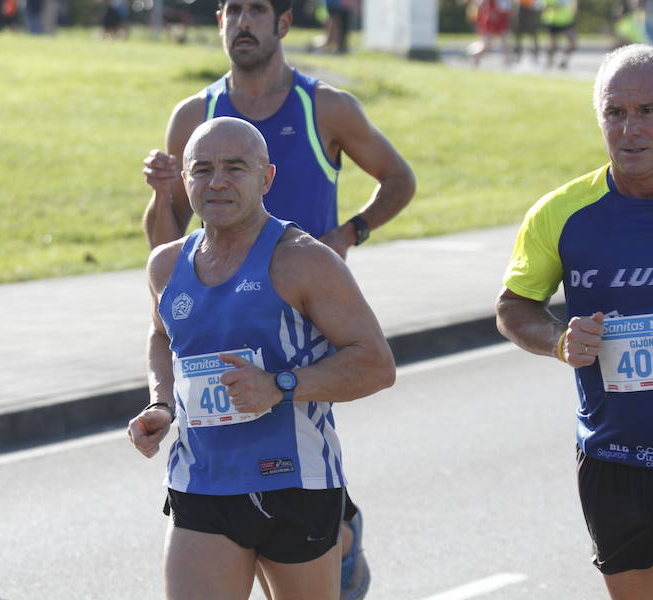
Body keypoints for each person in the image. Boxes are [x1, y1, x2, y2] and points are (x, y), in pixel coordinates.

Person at [141, 0, 415, 596]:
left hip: (301, 365)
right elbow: (166, 310)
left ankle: (340, 527)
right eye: (202, 169)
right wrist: (161, 403)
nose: (217, 180)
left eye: (235, 168)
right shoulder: (195, 115)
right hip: (202, 478)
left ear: (283, 23)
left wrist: (348, 235)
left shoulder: (327, 109)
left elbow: (375, 363)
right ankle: (339, 526)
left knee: (308, 410)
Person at [496, 44, 653, 600]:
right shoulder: (562, 213)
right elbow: (513, 306)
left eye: (649, 110)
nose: (630, 128)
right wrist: (557, 341)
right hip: (613, 456)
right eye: (616, 112)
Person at [467, 0, 514, 68]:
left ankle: (508, 64)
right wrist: (489, 12)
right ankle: (475, 59)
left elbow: (509, 8)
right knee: (487, 46)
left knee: (505, 43)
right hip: (490, 22)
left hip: (502, 21)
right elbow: (480, 5)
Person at [542, 0, 578, 69]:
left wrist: (573, 12)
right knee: (553, 45)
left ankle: (564, 61)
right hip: (553, 21)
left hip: (568, 21)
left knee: (573, 44)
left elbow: (574, 3)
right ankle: (549, 61)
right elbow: (544, 6)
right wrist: (556, 6)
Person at [513, 0, 543, 66]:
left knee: (534, 36)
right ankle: (518, 56)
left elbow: (539, 5)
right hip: (521, 13)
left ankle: (535, 56)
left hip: (531, 13)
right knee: (519, 37)